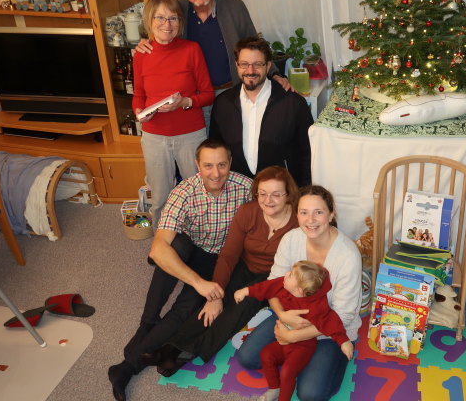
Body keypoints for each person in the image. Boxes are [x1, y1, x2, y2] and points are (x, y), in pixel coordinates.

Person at [108, 139, 252, 401]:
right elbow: (157, 249)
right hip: (194, 252)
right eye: (208, 165)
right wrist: (197, 282)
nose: (216, 173)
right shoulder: (184, 192)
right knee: (176, 245)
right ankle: (147, 322)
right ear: (197, 165)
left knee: (185, 309)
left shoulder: (246, 188)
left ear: (230, 163)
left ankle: (126, 367)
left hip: (222, 261)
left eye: (222, 164)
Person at [143, 166, 300, 376]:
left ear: (288, 195)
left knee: (239, 309)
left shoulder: (299, 223)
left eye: (276, 194)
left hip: (272, 278)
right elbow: (228, 255)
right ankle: (171, 347)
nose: (268, 200)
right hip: (245, 266)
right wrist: (215, 296)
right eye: (262, 194)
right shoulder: (248, 212)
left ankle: (185, 355)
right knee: (214, 301)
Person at [237, 185, 362, 401]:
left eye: (319, 212)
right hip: (289, 316)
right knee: (248, 358)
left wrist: (293, 336)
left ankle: (311, 359)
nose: (310, 220)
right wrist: (283, 315)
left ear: (331, 214)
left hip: (329, 327)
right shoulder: (292, 239)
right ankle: (298, 358)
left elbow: (343, 315)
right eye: (304, 212)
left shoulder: (348, 255)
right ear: (297, 214)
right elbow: (273, 284)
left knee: (310, 394)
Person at [135, 0, 291, 128]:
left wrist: (275, 74)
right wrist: (147, 43)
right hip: (195, 99)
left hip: (233, 94)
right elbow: (164, 33)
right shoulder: (177, 9)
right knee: (206, 152)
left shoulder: (234, 6)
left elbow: (255, 45)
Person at [132, 0, 215, 227]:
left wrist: (184, 102)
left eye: (173, 18)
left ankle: (198, 238)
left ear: (180, 23)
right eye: (160, 17)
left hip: (190, 134)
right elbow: (138, 95)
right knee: (160, 198)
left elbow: (208, 95)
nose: (167, 24)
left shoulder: (192, 50)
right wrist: (140, 111)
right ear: (149, 21)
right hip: (154, 135)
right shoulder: (141, 54)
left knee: (197, 195)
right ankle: (163, 245)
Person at [234, 260, 354, 401]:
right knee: (266, 354)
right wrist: (246, 291)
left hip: (303, 347)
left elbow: (332, 322)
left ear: (299, 291)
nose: (285, 274)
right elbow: (267, 286)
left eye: (290, 274)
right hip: (283, 341)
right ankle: (274, 389)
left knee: (287, 373)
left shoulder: (317, 306)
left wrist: (344, 341)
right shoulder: (284, 285)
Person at [210, 37, 314, 186]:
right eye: (244, 64)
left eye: (257, 64)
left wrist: (303, 193)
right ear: (236, 65)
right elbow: (217, 151)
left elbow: (308, 154)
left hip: (282, 192)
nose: (250, 71)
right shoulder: (222, 104)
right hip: (239, 192)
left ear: (268, 66)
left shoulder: (293, 103)